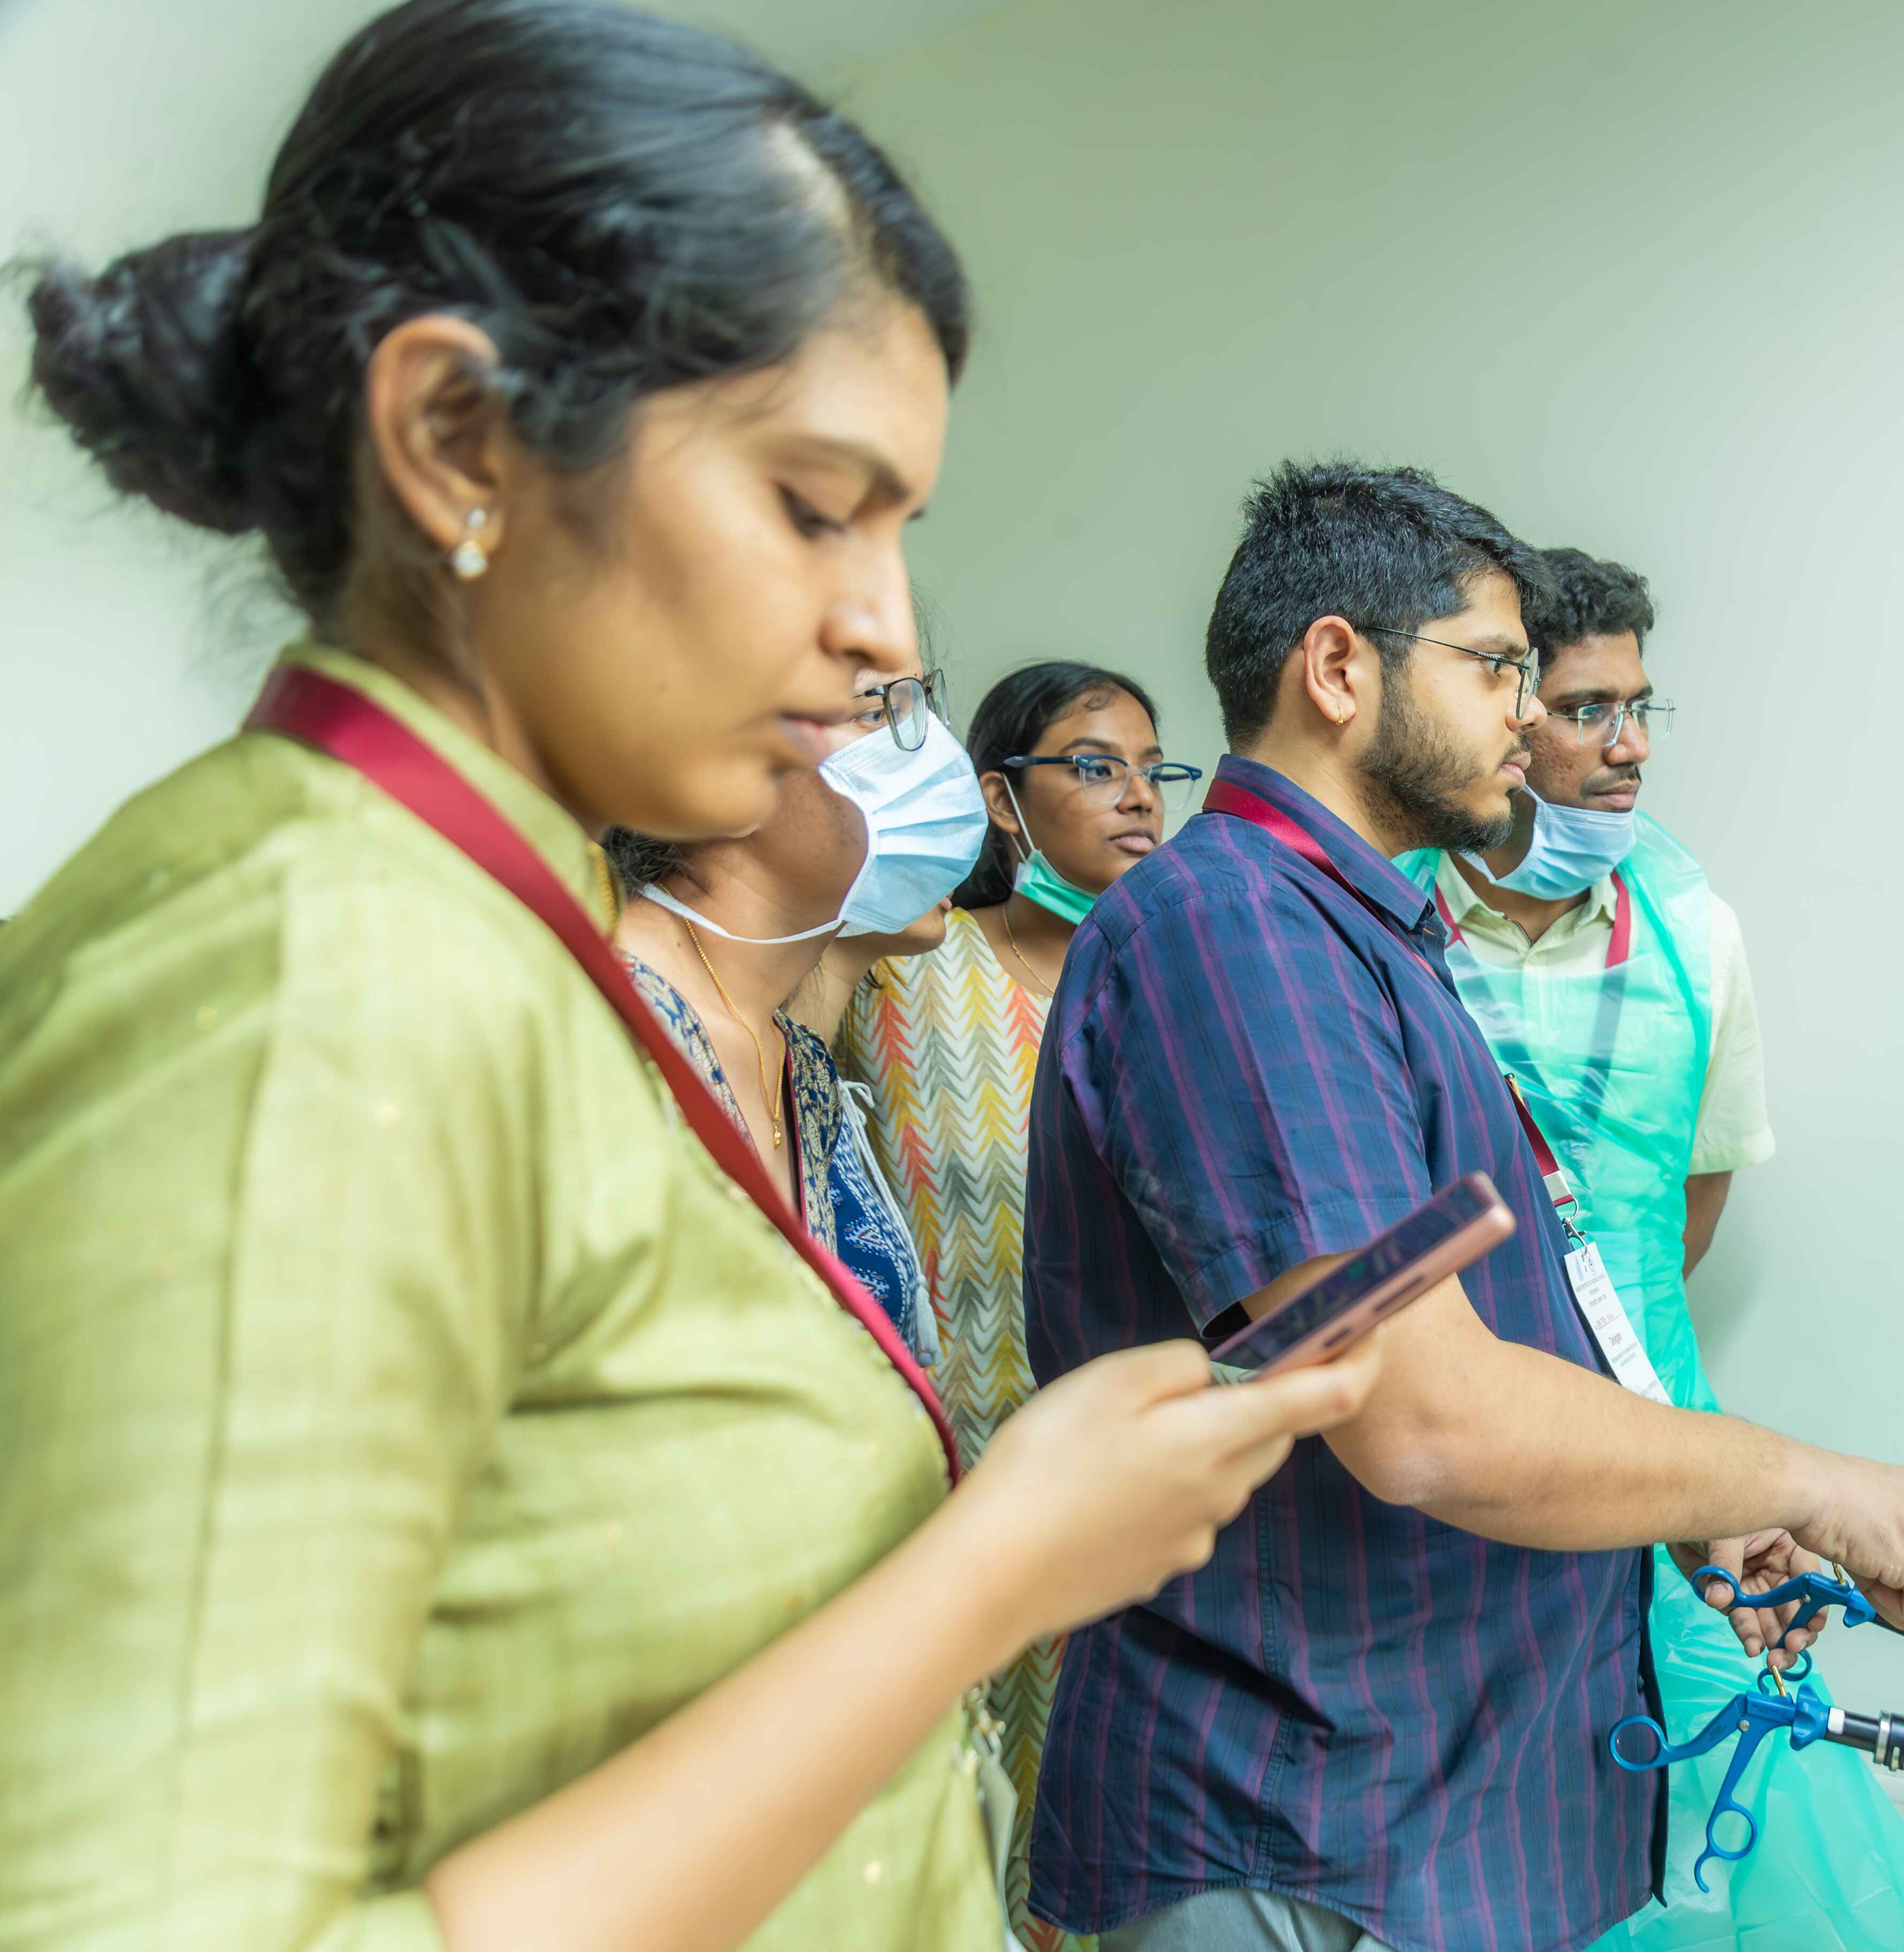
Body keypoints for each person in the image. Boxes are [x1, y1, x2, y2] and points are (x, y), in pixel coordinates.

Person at [0, 7, 1372, 1950]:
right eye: (814, 506)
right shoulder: (322, 974)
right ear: (456, 439)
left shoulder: (501, 934)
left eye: (896, 529)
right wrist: (987, 1577)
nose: (880, 625)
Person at [1022, 459, 1904, 1952]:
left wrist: (1698, 1505)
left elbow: (1497, 1337)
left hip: (1431, 1801)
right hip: (1305, 1821)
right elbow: (1423, 1416)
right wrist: (1800, 1479)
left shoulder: (1362, 934)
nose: (1530, 723)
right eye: (1495, 669)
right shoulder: (1235, 930)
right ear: (1338, 668)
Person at [1397, 549, 1904, 1950]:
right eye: (1587, 709)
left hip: (1663, 1436)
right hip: (1445, 1446)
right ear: (1505, 712)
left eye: (1641, 708)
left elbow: (1686, 1214)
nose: (1629, 746)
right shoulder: (1381, 926)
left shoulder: (1694, 929)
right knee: (1483, 1831)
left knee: (1721, 1786)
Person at [833, 659, 1200, 1948]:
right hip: (942, 1481)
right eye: (1096, 767)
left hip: (1127, 1483)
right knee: (958, 1828)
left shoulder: (1180, 989)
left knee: (1104, 1848)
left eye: (1154, 770)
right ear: (1001, 799)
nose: (1139, 797)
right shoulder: (904, 970)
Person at [603, 665, 972, 1358]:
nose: (937, 750)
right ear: (722, 771)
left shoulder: (798, 1059)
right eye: (878, 712)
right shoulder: (607, 1029)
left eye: (924, 704)